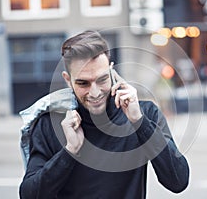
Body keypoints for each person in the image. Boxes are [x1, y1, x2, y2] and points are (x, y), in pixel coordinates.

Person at [19, 30, 189, 199]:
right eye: (83, 83)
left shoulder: (144, 114)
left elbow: (178, 181)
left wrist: (140, 122)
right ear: (67, 80)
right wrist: (69, 151)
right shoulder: (50, 123)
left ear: (111, 70)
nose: (94, 93)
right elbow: (29, 194)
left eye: (102, 79)